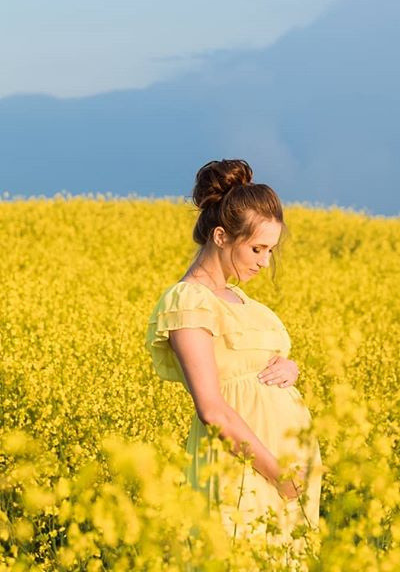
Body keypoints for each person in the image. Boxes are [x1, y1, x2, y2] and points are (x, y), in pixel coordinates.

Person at [145, 158, 323, 553]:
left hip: (281, 476)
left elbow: (256, 367)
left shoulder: (241, 300)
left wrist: (290, 369)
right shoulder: (188, 301)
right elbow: (212, 408)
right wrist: (279, 475)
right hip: (242, 472)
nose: (264, 261)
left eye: (271, 250)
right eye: (257, 248)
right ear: (222, 237)